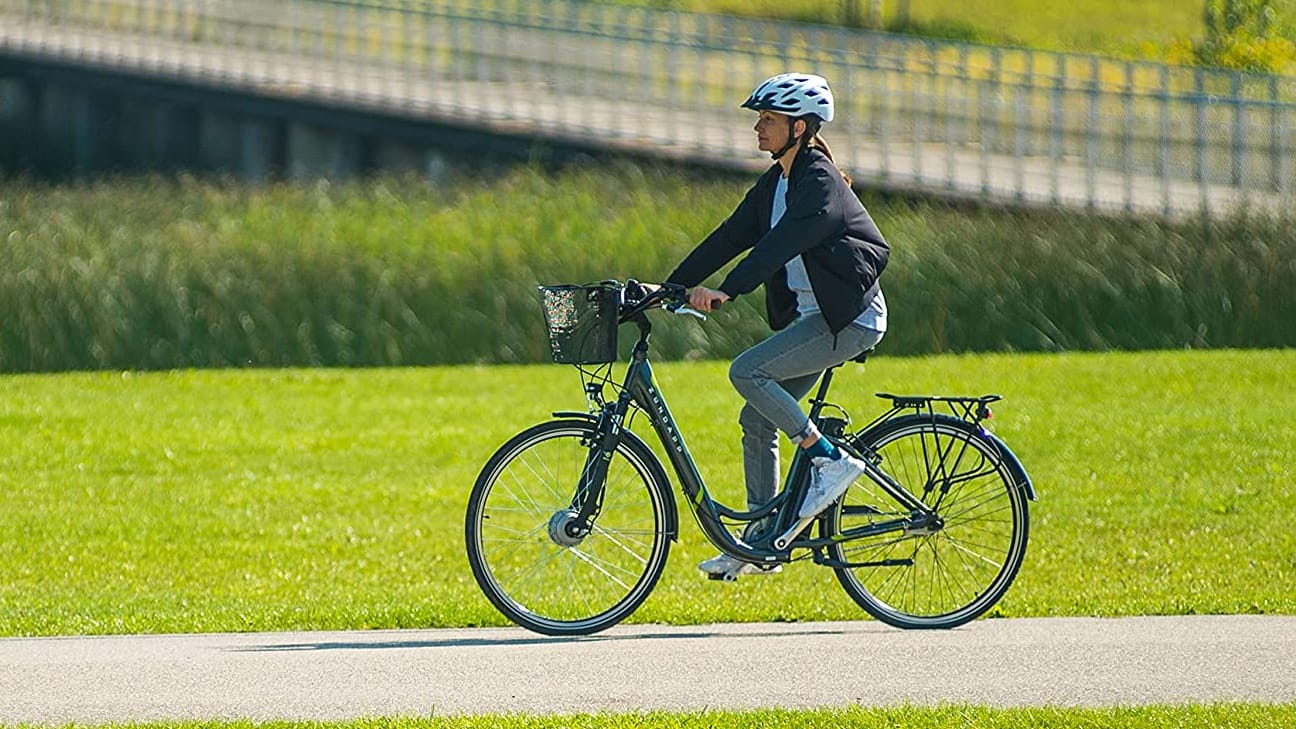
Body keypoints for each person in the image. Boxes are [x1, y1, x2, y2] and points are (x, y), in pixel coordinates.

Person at [665, 73, 890, 580]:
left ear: (801, 127)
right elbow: (730, 237)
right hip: (820, 319)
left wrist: (729, 289)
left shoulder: (819, 182)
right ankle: (760, 542)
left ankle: (827, 458)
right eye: (759, 119)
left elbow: (779, 245)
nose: (758, 128)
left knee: (747, 372)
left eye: (768, 120)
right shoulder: (777, 182)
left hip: (849, 319)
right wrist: (670, 287)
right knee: (757, 418)